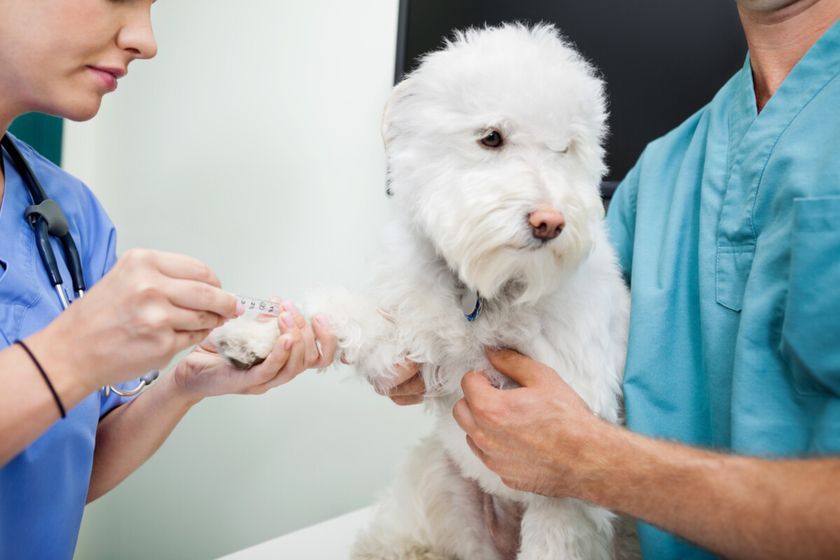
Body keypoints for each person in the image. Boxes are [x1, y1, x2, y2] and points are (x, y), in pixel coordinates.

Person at [386, 0, 840, 558]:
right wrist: (407, 349)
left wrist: (593, 462)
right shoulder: (661, 173)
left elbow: (580, 452)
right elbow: (535, 327)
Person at [0, 2, 336, 559]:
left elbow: (49, 477)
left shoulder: (67, 213)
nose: (145, 40)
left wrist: (182, 387)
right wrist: (73, 354)